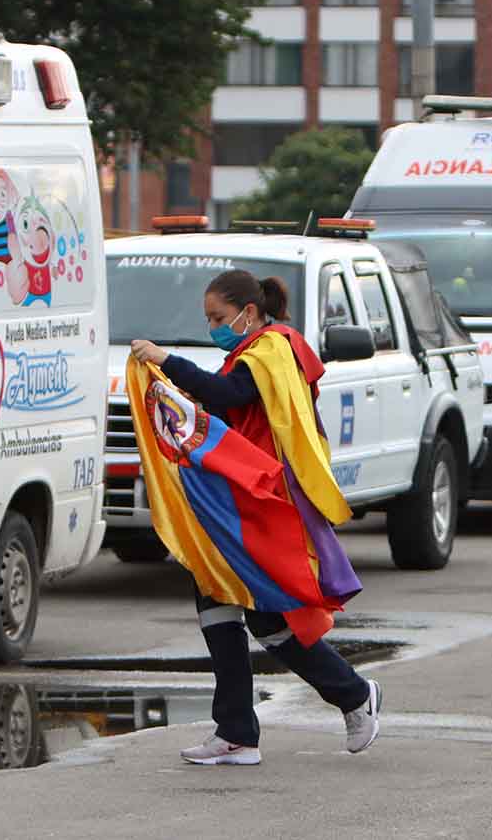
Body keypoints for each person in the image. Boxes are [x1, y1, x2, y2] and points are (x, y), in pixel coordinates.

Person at [130, 269, 381, 766]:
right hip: (241, 497)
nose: (214, 327)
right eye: (208, 319)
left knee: (267, 618)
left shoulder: (272, 350)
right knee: (216, 596)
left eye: (219, 317)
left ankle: (352, 695)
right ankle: (237, 731)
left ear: (249, 311)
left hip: (265, 501)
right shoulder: (254, 351)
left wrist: (167, 361)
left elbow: (230, 398)